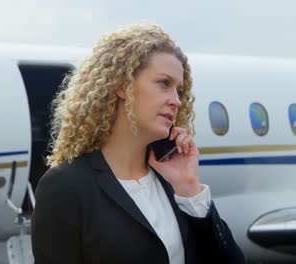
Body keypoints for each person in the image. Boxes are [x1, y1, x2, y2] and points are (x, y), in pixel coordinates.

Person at [31, 22, 245, 264]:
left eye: (180, 91)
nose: (176, 101)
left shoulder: (172, 181)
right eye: (164, 83)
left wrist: (189, 188)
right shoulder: (65, 186)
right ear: (122, 85)